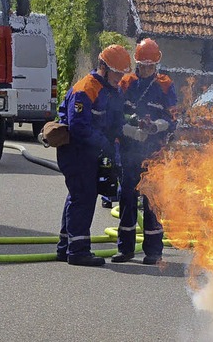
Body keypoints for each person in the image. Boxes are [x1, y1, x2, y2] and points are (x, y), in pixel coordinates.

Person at [56, 44, 131, 267]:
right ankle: (78, 251)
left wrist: (117, 150)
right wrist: (104, 144)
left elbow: (116, 125)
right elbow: (78, 127)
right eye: (117, 73)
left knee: (79, 197)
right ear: (103, 67)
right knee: (83, 197)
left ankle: (65, 247)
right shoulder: (86, 88)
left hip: (93, 153)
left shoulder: (113, 90)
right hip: (76, 152)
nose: (120, 78)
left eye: (122, 73)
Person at [112, 38, 177, 265]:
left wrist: (155, 126)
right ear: (136, 63)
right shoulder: (127, 83)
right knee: (127, 198)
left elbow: (172, 119)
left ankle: (153, 252)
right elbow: (117, 114)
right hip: (130, 151)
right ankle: (125, 249)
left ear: (157, 64)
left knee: (152, 202)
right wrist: (133, 127)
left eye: (150, 65)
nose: (146, 69)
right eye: (142, 65)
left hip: (154, 153)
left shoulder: (165, 85)